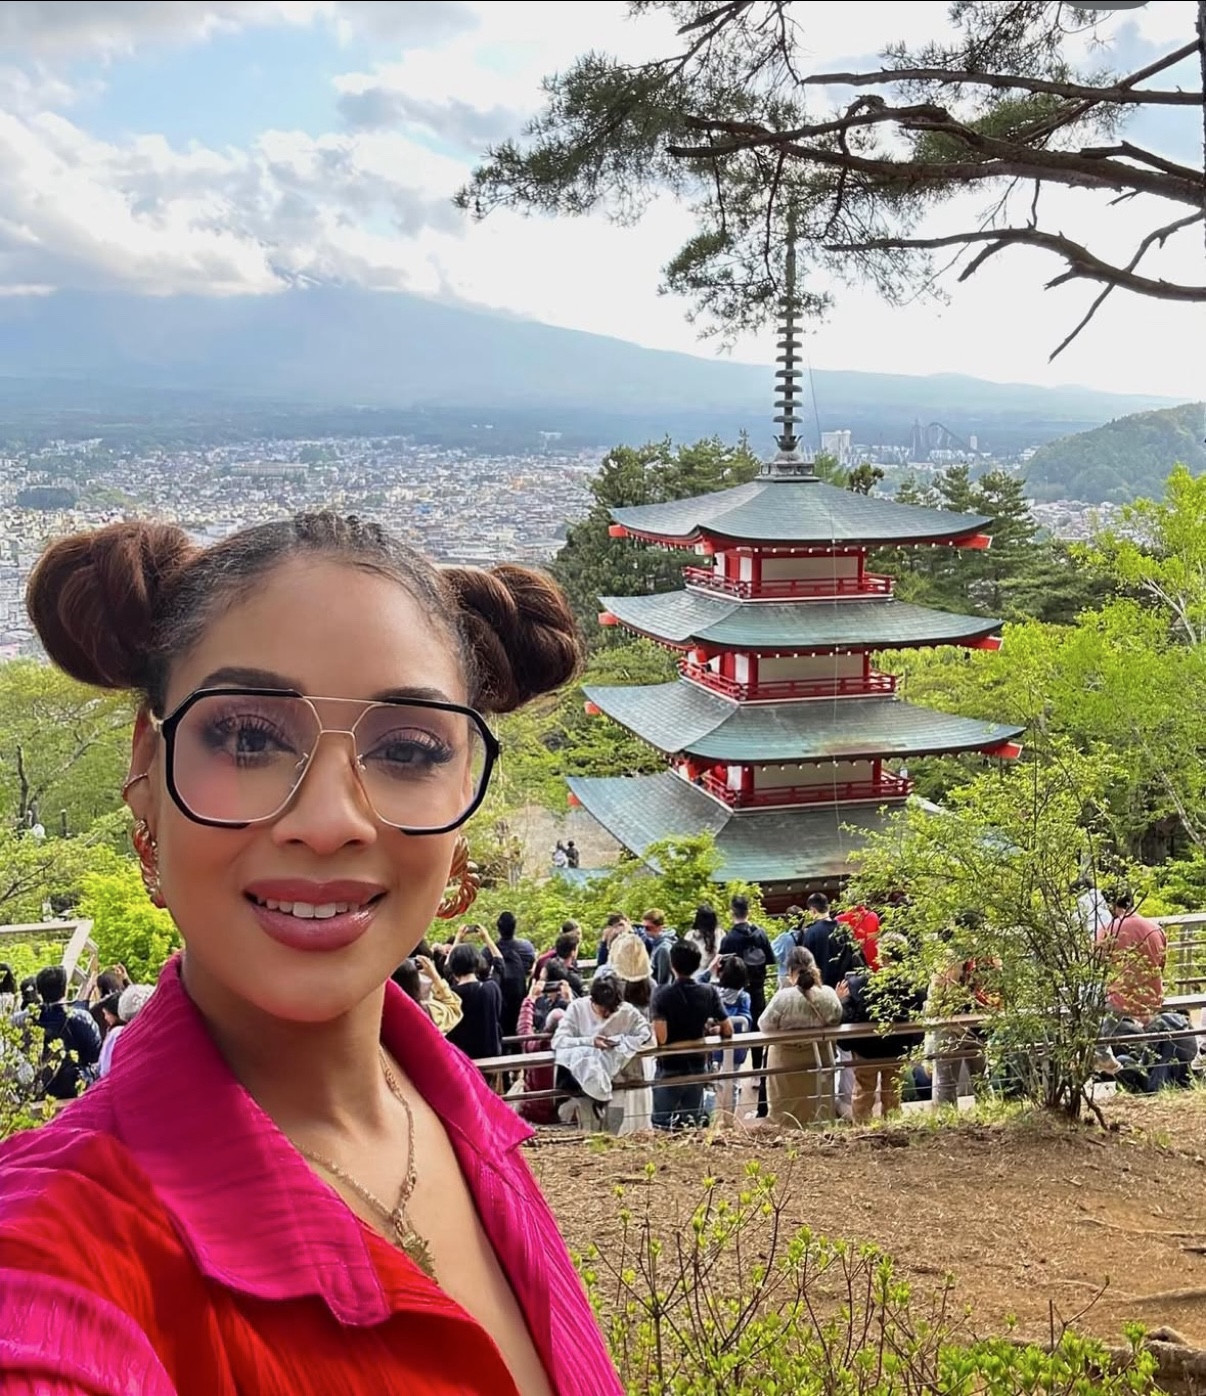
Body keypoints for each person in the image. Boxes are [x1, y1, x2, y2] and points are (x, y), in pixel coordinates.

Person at [0, 512, 618, 1395]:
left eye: (407, 749)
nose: (330, 822)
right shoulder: (57, 1244)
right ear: (147, 767)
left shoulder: (459, 1116)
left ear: (463, 798)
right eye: (248, 738)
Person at [837, 934, 926, 1122]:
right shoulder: (914, 988)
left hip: (867, 1050)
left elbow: (850, 1015)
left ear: (882, 956)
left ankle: (862, 1129)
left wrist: (842, 1000)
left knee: (863, 1092)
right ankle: (893, 1126)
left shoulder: (863, 986)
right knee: (893, 1093)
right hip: (897, 1049)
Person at [551, 976, 652, 1132]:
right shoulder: (577, 1009)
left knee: (613, 1130)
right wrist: (590, 1042)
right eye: (603, 1009)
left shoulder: (626, 1011)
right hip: (584, 1084)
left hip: (617, 1083)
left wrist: (621, 1042)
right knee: (589, 1131)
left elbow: (645, 1033)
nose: (607, 1014)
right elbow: (559, 1041)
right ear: (592, 1000)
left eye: (611, 1010)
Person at [650, 941, 731, 1129]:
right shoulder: (708, 992)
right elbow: (728, 1029)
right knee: (691, 1122)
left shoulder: (661, 995)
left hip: (669, 1066)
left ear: (672, 965)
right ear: (697, 963)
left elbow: (661, 1038)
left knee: (661, 1122)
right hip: (697, 1064)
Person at [758, 947, 843, 1128]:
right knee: (818, 1109)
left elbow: (764, 1025)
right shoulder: (829, 994)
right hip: (820, 1059)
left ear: (790, 971)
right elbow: (836, 1017)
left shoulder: (783, 998)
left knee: (786, 1113)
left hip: (786, 1062)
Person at [719, 895, 776, 1117]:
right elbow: (770, 959)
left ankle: (732, 1074)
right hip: (758, 989)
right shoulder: (760, 933)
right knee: (758, 1030)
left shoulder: (729, 939)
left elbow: (723, 969)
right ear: (748, 912)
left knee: (735, 1031)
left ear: (732, 913)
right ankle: (757, 1074)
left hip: (737, 992)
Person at [32, 964, 102, 1100]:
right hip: (77, 1085)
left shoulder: (29, 1019)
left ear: (39, 992)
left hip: (41, 1087)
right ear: (65, 989)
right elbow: (95, 1054)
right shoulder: (81, 1018)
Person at [1096, 889, 1167, 1021]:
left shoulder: (1107, 930)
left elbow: (1097, 965)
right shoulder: (1156, 929)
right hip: (1153, 1000)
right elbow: (1161, 965)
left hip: (1120, 1002)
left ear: (1111, 905)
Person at [445, 931, 507, 1065]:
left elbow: (446, 969)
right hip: (491, 1058)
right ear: (477, 962)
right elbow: (499, 964)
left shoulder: (450, 996)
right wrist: (486, 938)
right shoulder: (491, 988)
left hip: (461, 1061)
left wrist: (457, 939)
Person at [710, 955, 752, 1118]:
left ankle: (715, 1116)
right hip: (736, 1045)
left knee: (715, 1082)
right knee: (733, 1083)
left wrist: (711, 970)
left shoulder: (715, 993)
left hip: (716, 1042)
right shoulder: (744, 997)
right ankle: (729, 1118)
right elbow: (746, 1020)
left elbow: (699, 981)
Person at [97, 983, 155, 1080]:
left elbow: (105, 1070)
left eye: (106, 1014)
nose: (105, 1017)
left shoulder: (117, 1034)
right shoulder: (157, 1034)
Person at [494, 911, 536, 1043]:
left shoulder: (489, 951)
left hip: (499, 1002)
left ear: (498, 928)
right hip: (520, 997)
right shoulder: (526, 948)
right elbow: (531, 966)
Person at [836, 902, 882, 973]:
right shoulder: (851, 916)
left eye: (858, 915)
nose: (856, 918)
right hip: (859, 954)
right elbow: (835, 920)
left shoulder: (871, 917)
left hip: (871, 951)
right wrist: (846, 927)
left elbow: (871, 937)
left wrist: (860, 940)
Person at [641, 909, 678, 986]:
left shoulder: (664, 948)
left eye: (648, 928)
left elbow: (664, 980)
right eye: (643, 927)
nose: (645, 931)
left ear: (660, 927)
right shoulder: (654, 943)